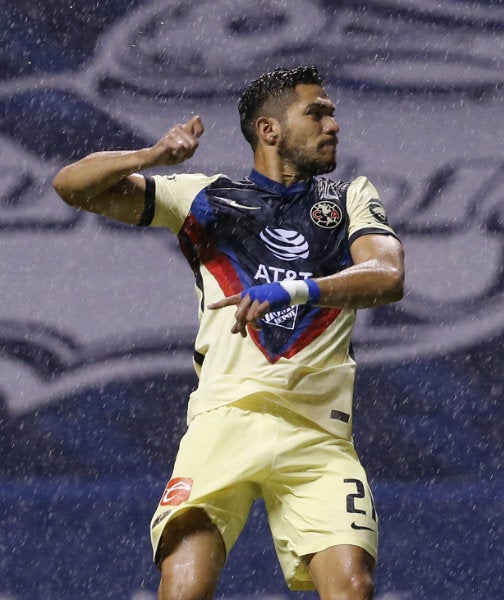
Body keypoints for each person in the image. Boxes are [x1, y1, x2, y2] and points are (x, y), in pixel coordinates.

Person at [52, 66, 404, 599]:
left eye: (331, 113)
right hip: (226, 419)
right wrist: (149, 157)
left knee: (352, 587)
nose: (333, 125)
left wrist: (293, 290)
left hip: (319, 431)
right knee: (184, 586)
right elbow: (71, 186)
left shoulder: (349, 195)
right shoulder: (204, 197)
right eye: (317, 112)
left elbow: (387, 276)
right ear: (269, 130)